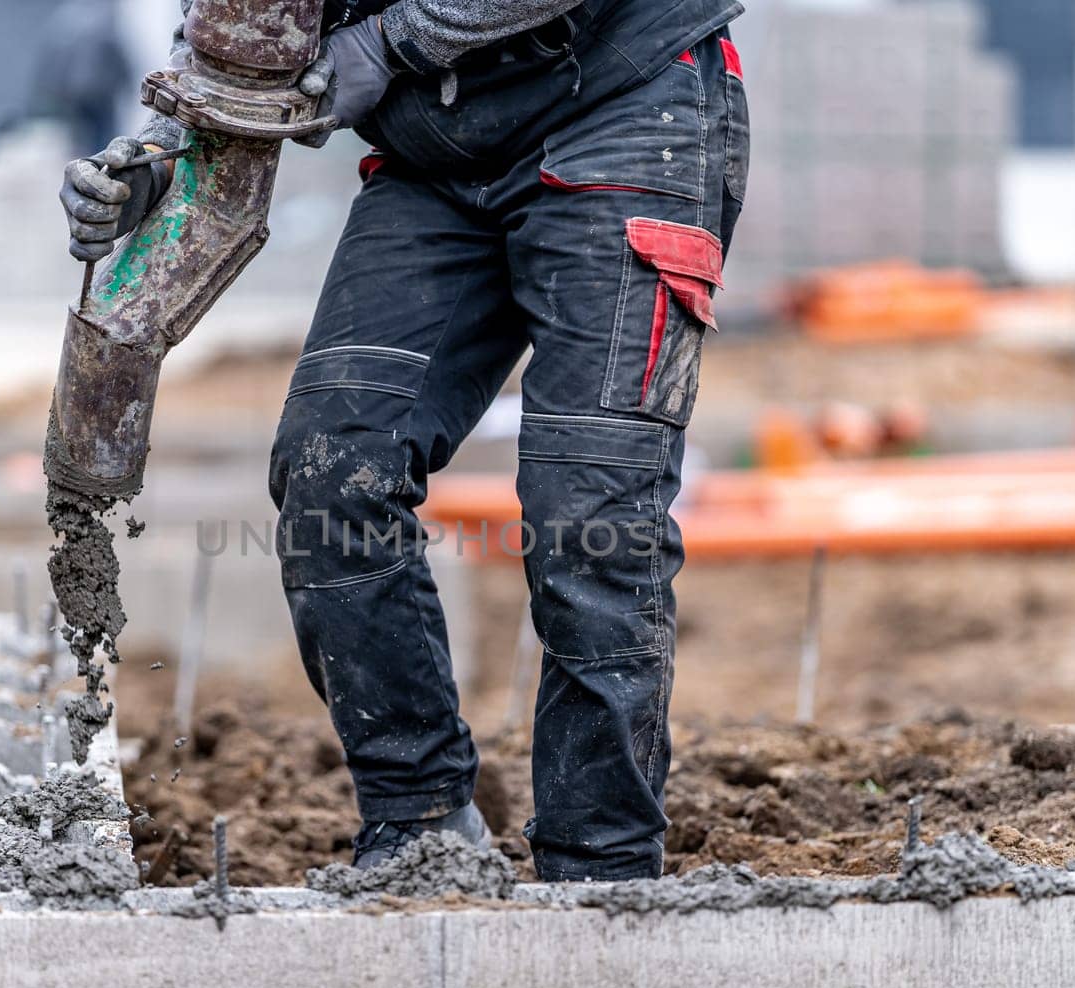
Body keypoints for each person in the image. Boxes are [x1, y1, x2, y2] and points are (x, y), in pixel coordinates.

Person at [61, 0, 749, 881]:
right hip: (438, 151)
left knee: (592, 516)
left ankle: (602, 879)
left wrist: (392, 42)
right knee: (332, 467)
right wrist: (161, 159)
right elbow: (239, 42)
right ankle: (420, 829)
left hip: (624, 104)